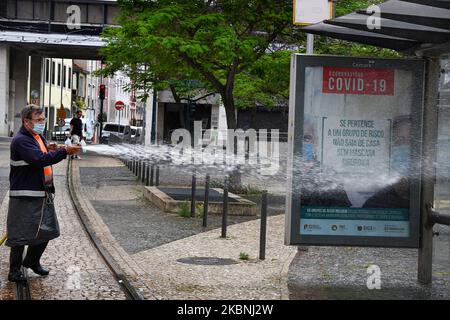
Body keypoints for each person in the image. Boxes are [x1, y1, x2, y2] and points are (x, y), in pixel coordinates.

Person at [6, 105, 81, 283]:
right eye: (38, 120)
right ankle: (14, 271)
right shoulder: (21, 140)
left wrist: (52, 147)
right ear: (26, 122)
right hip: (25, 195)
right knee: (20, 234)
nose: (42, 123)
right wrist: (64, 152)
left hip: (42, 193)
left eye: (43, 119)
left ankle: (32, 261)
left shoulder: (36, 137)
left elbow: (42, 151)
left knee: (47, 229)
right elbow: (39, 159)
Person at [363, 115, 412, 209]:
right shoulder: (377, 203)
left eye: (411, 141)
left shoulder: (427, 198)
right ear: (389, 147)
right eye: (400, 140)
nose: (405, 146)